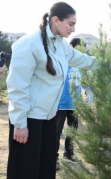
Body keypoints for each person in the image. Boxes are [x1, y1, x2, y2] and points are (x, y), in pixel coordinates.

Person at [6, 2, 99, 179]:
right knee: (25, 171)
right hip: (29, 120)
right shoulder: (28, 44)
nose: (73, 29)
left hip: (48, 118)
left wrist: (110, 65)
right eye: (71, 24)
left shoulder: (61, 45)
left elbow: (83, 60)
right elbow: (17, 86)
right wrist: (20, 124)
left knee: (45, 170)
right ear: (56, 20)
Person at [55, 38, 84, 170]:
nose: (80, 52)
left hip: (74, 105)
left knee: (73, 132)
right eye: (78, 48)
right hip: (61, 104)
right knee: (56, 132)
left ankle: (69, 154)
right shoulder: (63, 61)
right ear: (71, 46)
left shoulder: (80, 65)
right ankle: (53, 158)